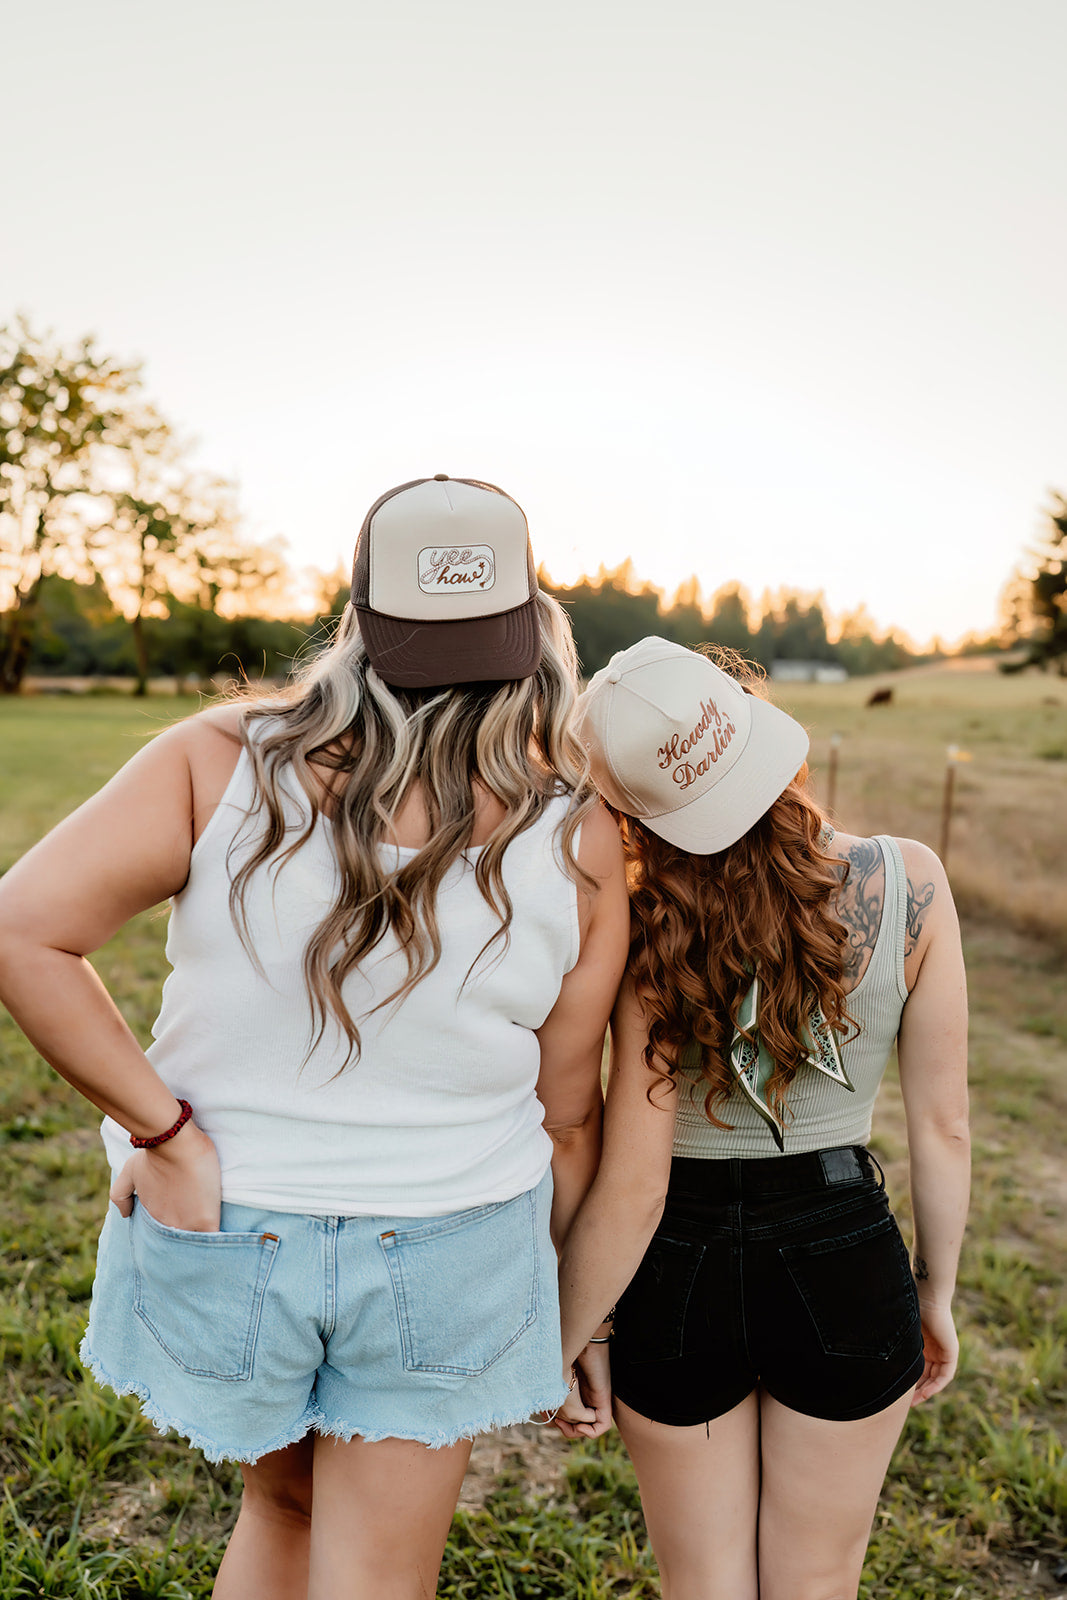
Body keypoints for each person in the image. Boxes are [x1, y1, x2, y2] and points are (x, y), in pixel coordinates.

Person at [0, 475, 628, 1600]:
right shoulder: (578, 832)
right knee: (379, 1575)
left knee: (279, 1509)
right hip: (452, 1244)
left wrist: (167, 1131)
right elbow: (567, 1118)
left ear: (355, 619)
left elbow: (22, 932)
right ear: (534, 630)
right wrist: (570, 1307)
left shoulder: (216, 758)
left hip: (227, 1223)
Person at [553, 636, 969, 1600]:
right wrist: (933, 1293)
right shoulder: (909, 881)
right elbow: (942, 1127)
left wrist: (575, 1334)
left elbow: (634, 1177)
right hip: (844, 1261)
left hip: (676, 1274)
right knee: (815, 1582)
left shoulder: (646, 922)